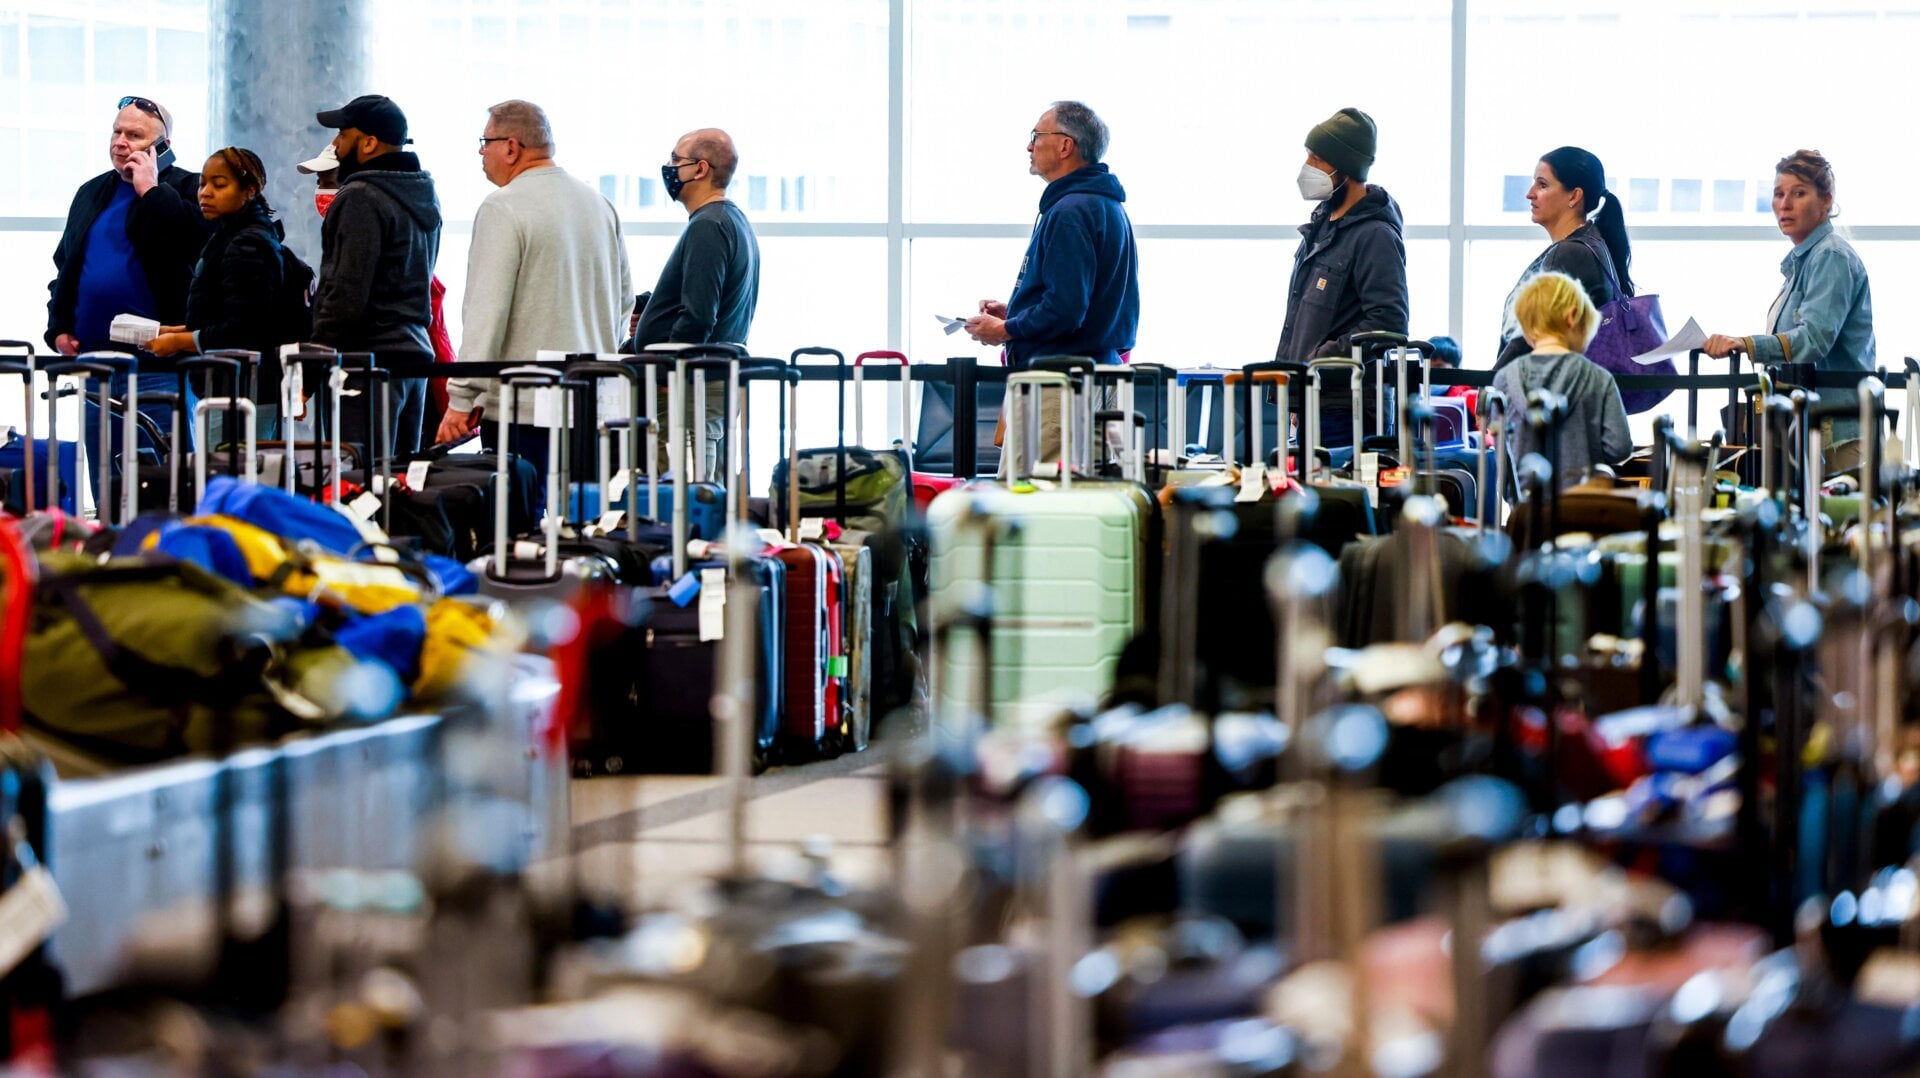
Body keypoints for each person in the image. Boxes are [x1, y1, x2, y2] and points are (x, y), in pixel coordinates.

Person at [434, 101, 633, 474]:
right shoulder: (599, 204)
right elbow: (624, 301)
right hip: (589, 400)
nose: (481, 151)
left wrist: (462, 397)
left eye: (485, 141)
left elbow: (487, 312)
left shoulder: (503, 207)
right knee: (577, 522)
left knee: (520, 523)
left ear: (511, 147)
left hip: (522, 405)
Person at [963, 100, 1139, 468]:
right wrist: (1018, 313)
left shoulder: (1070, 211)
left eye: (1036, 136)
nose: (1029, 146)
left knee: (1040, 510)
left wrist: (1007, 329)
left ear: (1065, 146)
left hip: (1058, 389)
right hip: (1097, 379)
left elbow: (1066, 309)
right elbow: (1092, 305)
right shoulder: (1105, 206)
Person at [46, 95, 212, 475]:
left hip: (157, 364)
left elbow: (199, 243)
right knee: (106, 478)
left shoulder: (189, 188)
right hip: (95, 362)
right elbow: (66, 264)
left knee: (161, 479)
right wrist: (59, 327)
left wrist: (151, 190)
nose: (120, 142)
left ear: (162, 146)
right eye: (116, 132)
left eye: (134, 135)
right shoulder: (92, 192)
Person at [1704, 149, 1873, 452]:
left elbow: (1813, 339)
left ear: (1826, 200)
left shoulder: (1830, 256)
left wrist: (1747, 344)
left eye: (1799, 193)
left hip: (1837, 436)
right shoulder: (1803, 261)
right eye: (1779, 194)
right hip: (1811, 429)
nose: (1785, 204)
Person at [310, 94, 442, 457]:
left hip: (365, 365)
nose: (335, 144)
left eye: (342, 134)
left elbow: (345, 293)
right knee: (396, 487)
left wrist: (312, 364)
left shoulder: (360, 197)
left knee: (355, 485)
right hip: (413, 358)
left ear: (368, 143)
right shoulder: (423, 194)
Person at [299, 143, 457, 437]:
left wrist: (308, 374)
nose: (324, 191)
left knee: (359, 473)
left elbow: (344, 301)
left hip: (366, 364)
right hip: (413, 358)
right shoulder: (419, 208)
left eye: (332, 180)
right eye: (319, 183)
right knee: (397, 472)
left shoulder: (361, 203)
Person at [1274, 107, 1407, 451]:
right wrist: (1296, 392)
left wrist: (1320, 360)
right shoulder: (1322, 227)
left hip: (1348, 410)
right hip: (1314, 399)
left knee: (1338, 501)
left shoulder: (1375, 235)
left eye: (1315, 159)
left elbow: (1389, 320)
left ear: (1343, 168)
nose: (1307, 168)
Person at [146, 147, 303, 437]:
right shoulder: (229, 235)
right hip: (229, 384)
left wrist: (179, 342)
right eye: (203, 183)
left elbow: (244, 330)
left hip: (245, 390)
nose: (204, 193)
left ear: (249, 191)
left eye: (219, 185)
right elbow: (229, 313)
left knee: (233, 479)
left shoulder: (249, 244)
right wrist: (176, 330)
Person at [627, 127, 758, 474]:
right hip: (706, 384)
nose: (669, 168)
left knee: (685, 501)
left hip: (690, 389)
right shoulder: (730, 221)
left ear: (700, 169)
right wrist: (654, 311)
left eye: (675, 160)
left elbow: (700, 315)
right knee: (703, 492)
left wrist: (670, 370)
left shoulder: (709, 226)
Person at [1494, 147, 1634, 371]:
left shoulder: (1570, 253)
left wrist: (1489, 388)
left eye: (1542, 184)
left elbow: (1530, 337)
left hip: (1548, 397)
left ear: (1574, 196)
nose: (1530, 193)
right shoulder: (1590, 243)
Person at [1492, 271, 1631, 492]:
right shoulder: (1598, 378)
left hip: (1525, 511)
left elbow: (1503, 459)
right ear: (1572, 317)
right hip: (1581, 507)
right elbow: (1620, 448)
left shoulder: (1503, 380)